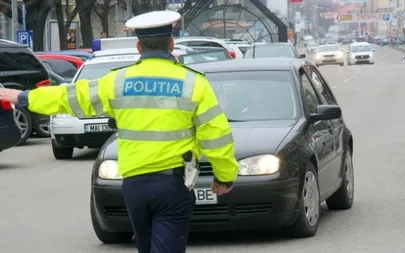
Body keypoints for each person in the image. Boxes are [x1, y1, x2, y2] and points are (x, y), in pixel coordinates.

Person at [0, 10, 239, 253]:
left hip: (134, 186)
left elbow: (72, 97)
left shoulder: (117, 81)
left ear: (138, 47)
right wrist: (224, 176)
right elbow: (216, 135)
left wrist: (24, 96)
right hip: (172, 185)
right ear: (171, 44)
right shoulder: (194, 82)